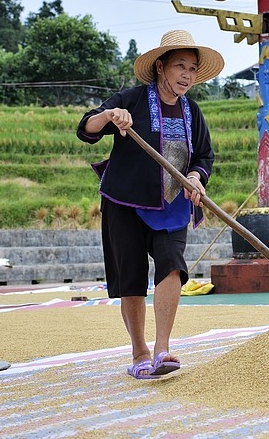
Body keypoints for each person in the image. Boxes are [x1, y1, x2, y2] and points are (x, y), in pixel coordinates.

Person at [76, 29, 225, 379]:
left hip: (173, 204)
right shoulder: (132, 99)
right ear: (160, 67)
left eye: (192, 68)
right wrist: (111, 115)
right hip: (125, 202)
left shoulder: (193, 111)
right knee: (131, 278)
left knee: (172, 265)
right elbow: (86, 128)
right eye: (180, 66)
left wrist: (197, 178)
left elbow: (204, 156)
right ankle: (139, 352)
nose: (187, 75)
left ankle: (162, 348)